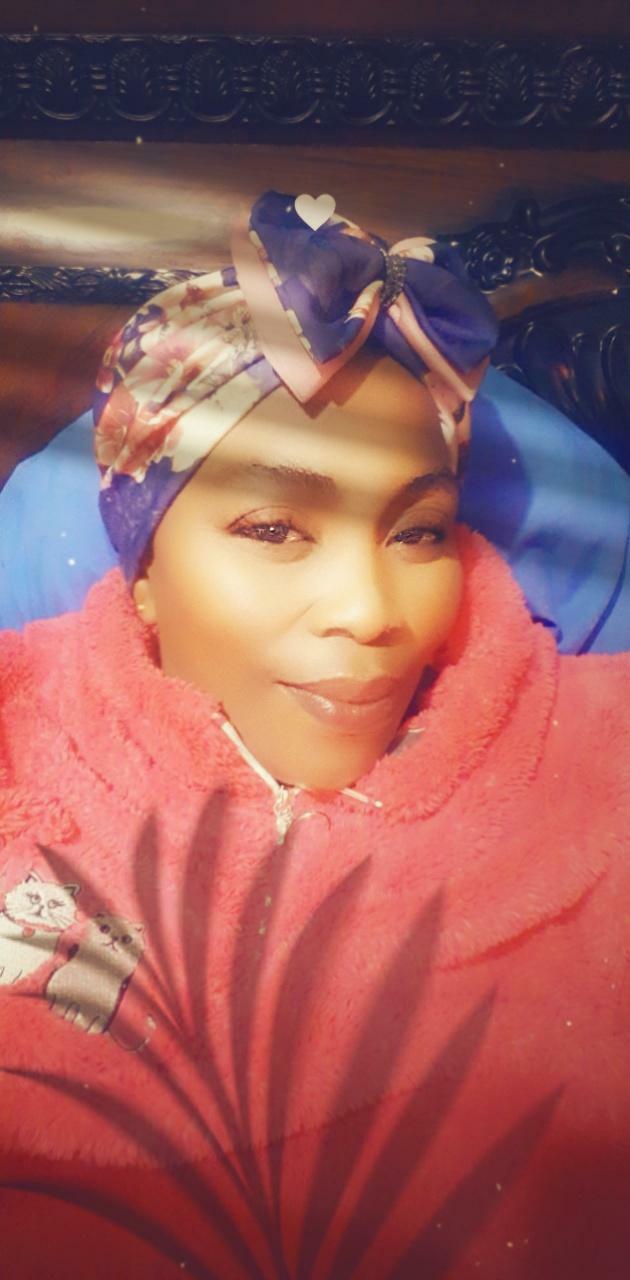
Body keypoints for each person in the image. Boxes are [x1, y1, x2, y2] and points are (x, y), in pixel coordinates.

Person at [0, 190, 628, 1280]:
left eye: (419, 531)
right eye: (274, 526)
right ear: (143, 572)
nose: (372, 611)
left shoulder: (603, 763)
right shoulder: (17, 742)